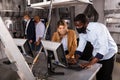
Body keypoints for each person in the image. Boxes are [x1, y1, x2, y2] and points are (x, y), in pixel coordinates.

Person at [74, 14, 118, 80]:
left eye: (79, 25)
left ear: (86, 23)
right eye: (76, 26)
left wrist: (90, 63)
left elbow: (104, 47)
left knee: (106, 76)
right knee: (99, 75)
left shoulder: (99, 28)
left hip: (109, 52)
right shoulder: (82, 31)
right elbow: (81, 46)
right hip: (97, 52)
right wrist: (76, 58)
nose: (77, 28)